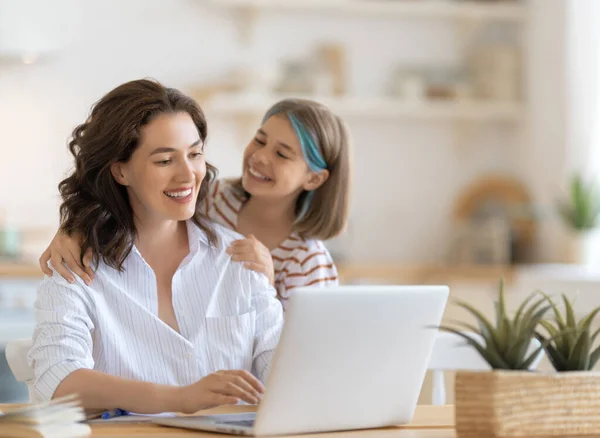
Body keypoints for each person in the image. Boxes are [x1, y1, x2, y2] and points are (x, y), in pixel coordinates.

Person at [28, 79, 283, 414]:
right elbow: (56, 380)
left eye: (194, 154)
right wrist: (179, 398)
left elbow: (282, 372)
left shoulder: (239, 258)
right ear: (120, 171)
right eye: (165, 161)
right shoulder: (76, 263)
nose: (188, 174)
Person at [40, 98, 353, 307]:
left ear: (314, 179)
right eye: (259, 140)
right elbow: (127, 208)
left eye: (282, 154)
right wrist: (74, 229)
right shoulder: (212, 199)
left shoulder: (308, 261)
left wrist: (266, 287)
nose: (259, 157)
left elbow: (307, 356)